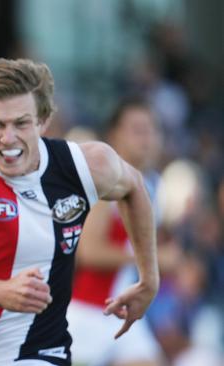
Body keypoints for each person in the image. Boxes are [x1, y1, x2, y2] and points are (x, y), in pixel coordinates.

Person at [0, 58, 159, 366]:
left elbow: (134, 188)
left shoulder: (84, 166)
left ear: (43, 120)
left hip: (46, 353)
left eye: (21, 124)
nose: (7, 138)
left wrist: (149, 279)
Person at [67, 98, 164, 366]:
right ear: (114, 134)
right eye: (137, 130)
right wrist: (152, 258)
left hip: (122, 311)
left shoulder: (155, 184)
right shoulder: (105, 182)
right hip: (88, 310)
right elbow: (90, 252)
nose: (146, 139)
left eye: (151, 130)